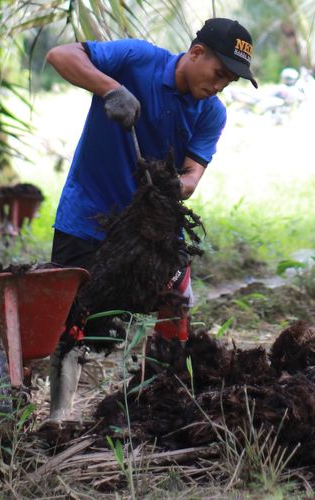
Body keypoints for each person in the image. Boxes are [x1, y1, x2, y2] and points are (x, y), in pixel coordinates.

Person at [44, 18, 257, 423]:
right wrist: (111, 88)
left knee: (174, 307)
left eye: (229, 81)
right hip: (87, 213)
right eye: (218, 73)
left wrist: (171, 186)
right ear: (196, 53)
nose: (219, 86)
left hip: (153, 227)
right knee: (71, 316)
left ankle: (159, 402)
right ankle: (59, 417)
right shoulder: (134, 59)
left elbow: (193, 175)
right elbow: (60, 55)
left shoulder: (211, 113)